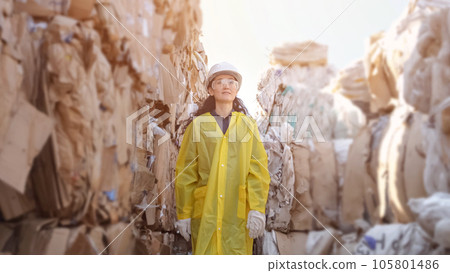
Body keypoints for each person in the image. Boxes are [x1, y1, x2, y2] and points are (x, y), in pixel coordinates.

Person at [174, 62, 271, 255]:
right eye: (220, 82)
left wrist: (257, 208)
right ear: (211, 89)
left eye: (231, 82)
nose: (226, 86)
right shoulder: (198, 126)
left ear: (236, 90)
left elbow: (258, 169)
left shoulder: (247, 125)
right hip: (206, 214)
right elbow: (186, 172)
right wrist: (184, 214)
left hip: (237, 215)